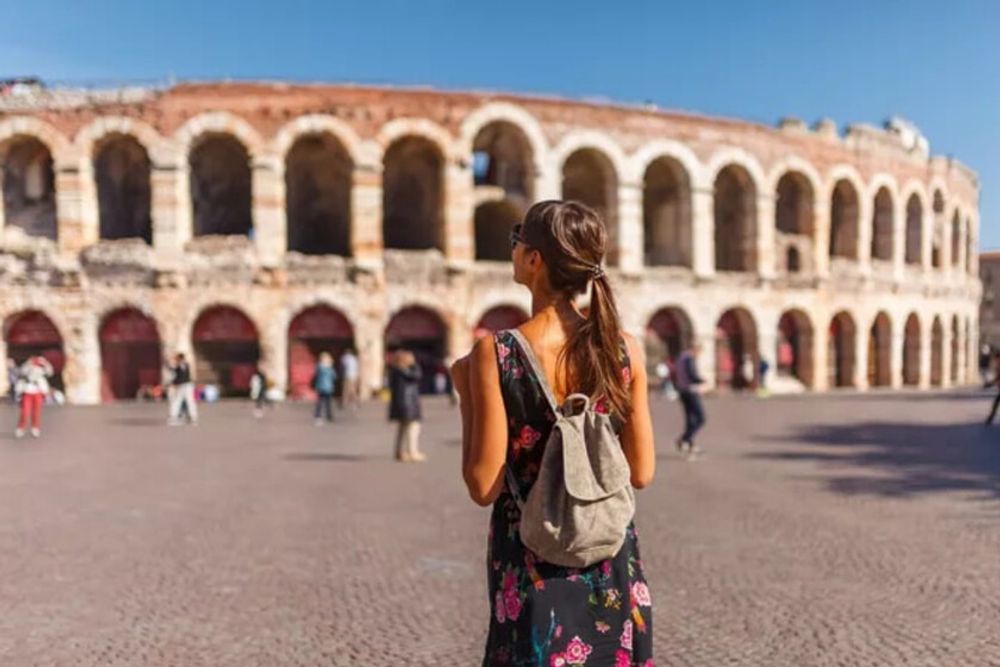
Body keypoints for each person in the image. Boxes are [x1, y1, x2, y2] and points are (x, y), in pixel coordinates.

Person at [451, 200, 655, 665]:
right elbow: (641, 472)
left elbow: (483, 486)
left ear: (534, 259)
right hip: (612, 564)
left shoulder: (497, 353)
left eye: (517, 241)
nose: (514, 251)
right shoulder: (624, 350)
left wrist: (467, 395)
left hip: (532, 569)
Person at [388, 350, 425, 462]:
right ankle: (412, 452)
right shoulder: (405, 371)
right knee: (413, 428)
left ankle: (399, 451)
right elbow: (417, 375)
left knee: (402, 429)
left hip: (400, 404)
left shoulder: (394, 371)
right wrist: (414, 365)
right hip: (408, 404)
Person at [674, 342, 707, 457]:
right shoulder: (689, 358)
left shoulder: (681, 358)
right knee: (701, 418)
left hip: (682, 391)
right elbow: (692, 375)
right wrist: (702, 381)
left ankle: (690, 444)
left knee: (689, 419)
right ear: (695, 349)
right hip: (690, 391)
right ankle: (684, 439)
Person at [14, 355, 53, 438]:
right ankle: (21, 428)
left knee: (36, 411)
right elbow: (22, 371)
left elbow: (50, 372)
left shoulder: (42, 368)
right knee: (25, 411)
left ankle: (35, 428)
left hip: (38, 392)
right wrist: (28, 364)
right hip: (27, 392)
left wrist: (45, 363)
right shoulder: (28, 367)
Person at [167, 353, 198, 425]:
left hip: (183, 385)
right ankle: (193, 415)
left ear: (180, 358)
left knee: (178, 400)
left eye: (176, 358)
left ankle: (173, 415)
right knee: (189, 400)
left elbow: (180, 375)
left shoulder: (182, 364)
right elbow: (175, 371)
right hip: (187, 385)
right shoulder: (184, 364)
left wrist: (174, 383)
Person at [313, 352, 337, 425]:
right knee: (322, 402)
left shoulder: (320, 367)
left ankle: (326, 415)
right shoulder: (323, 367)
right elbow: (333, 376)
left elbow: (334, 376)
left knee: (326, 402)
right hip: (324, 387)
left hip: (325, 387)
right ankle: (320, 415)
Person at [339, 348, 360, 412]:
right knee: (353, 390)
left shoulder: (345, 358)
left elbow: (342, 365)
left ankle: (345, 403)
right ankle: (354, 404)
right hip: (355, 376)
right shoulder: (354, 358)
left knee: (346, 390)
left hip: (348, 376)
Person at [985, 351, 1000, 425]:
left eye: (996, 359)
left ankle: (990, 418)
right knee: (996, 403)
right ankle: (990, 418)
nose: (996, 361)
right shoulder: (998, 366)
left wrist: (990, 384)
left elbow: (998, 378)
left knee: (996, 403)